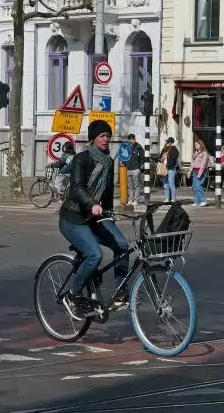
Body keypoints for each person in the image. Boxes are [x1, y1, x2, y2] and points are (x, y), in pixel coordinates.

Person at [58, 120, 130, 319]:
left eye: (108, 136)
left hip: (96, 216)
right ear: (93, 138)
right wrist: (92, 204)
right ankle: (73, 296)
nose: (106, 139)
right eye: (102, 136)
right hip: (73, 218)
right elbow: (77, 188)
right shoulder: (82, 159)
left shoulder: (108, 161)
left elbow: (107, 193)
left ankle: (119, 294)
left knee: (122, 246)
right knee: (95, 255)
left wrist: (110, 214)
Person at [125, 134, 145, 206]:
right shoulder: (127, 147)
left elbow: (143, 157)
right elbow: (124, 156)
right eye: (131, 139)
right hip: (129, 168)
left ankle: (136, 200)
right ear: (129, 140)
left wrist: (141, 166)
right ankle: (131, 199)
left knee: (136, 185)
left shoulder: (139, 147)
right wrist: (125, 164)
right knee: (130, 186)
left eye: (133, 139)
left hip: (136, 169)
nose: (132, 140)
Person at [190, 139, 210, 207]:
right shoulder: (195, 152)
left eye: (196, 144)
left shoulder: (204, 153)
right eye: (195, 144)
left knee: (198, 186)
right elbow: (192, 163)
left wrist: (199, 174)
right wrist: (189, 172)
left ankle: (203, 201)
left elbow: (203, 165)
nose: (195, 146)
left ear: (200, 145)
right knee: (195, 187)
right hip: (194, 171)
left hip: (201, 171)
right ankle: (196, 201)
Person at [160, 137, 180, 202]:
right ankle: (167, 198)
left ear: (171, 143)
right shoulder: (164, 149)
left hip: (171, 169)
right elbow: (160, 158)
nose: (166, 143)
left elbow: (173, 160)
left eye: (168, 142)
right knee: (165, 184)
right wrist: (162, 158)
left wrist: (167, 157)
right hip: (164, 168)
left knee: (171, 184)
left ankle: (173, 199)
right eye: (166, 142)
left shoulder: (175, 150)